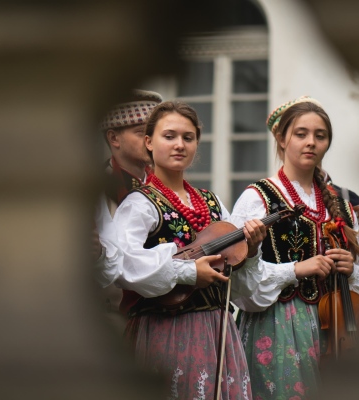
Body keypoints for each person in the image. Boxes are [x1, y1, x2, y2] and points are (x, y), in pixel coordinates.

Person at [101, 101, 267, 399]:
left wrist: (251, 251)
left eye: (188, 138)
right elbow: (125, 265)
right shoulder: (139, 203)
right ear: (149, 142)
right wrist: (188, 271)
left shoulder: (212, 202)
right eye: (169, 136)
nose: (179, 144)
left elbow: (238, 284)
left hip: (218, 329)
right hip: (166, 328)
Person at [230, 96, 359, 399]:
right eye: (301, 134)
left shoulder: (343, 206)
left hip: (334, 326)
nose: (311, 142)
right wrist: (294, 269)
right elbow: (238, 284)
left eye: (320, 136)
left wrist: (351, 270)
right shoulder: (258, 198)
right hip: (277, 327)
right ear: (282, 140)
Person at [93, 89, 162, 331]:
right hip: (109, 320)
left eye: (155, 133)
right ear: (114, 138)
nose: (152, 141)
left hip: (163, 315)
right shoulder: (95, 191)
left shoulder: (164, 186)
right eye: (142, 133)